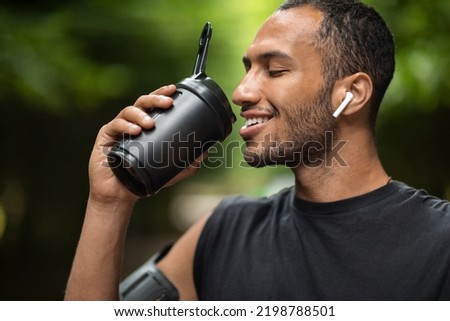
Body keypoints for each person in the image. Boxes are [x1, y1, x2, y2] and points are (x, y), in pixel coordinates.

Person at [64, 0, 450, 300]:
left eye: (275, 70)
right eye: (248, 68)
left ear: (351, 94)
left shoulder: (440, 243)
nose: (240, 92)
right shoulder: (226, 230)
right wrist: (109, 202)